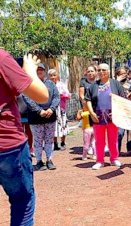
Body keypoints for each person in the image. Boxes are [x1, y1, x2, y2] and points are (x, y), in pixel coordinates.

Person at [0, 50, 48, 225]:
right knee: (22, 201)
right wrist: (29, 70)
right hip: (7, 146)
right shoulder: (2, 58)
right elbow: (42, 95)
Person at [85, 63, 125, 170]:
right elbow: (88, 99)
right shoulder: (94, 85)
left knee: (113, 139)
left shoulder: (115, 84)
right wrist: (91, 113)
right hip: (97, 116)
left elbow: (122, 99)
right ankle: (100, 160)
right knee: (99, 140)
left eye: (103, 70)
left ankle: (114, 159)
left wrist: (117, 111)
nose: (101, 72)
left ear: (108, 71)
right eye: (99, 70)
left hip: (112, 116)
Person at [24, 63, 60, 171]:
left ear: (45, 71)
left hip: (50, 115)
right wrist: (39, 111)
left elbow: (56, 97)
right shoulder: (30, 84)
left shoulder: (51, 84)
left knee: (49, 139)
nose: (40, 71)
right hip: (36, 117)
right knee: (38, 140)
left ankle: (49, 160)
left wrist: (51, 109)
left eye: (42, 69)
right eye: (37, 69)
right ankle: (39, 161)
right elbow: (27, 98)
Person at [116, 66, 131, 156]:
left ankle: (129, 150)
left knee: (130, 132)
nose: (123, 75)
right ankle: (117, 151)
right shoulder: (114, 83)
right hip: (120, 111)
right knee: (120, 133)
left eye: (124, 73)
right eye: (121, 74)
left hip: (129, 110)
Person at [48, 69, 71, 151]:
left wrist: (62, 95)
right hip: (52, 108)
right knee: (53, 125)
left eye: (54, 75)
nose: (53, 77)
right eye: (51, 75)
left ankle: (63, 142)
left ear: (57, 76)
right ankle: (55, 143)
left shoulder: (61, 85)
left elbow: (68, 95)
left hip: (61, 108)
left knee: (63, 124)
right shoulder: (47, 85)